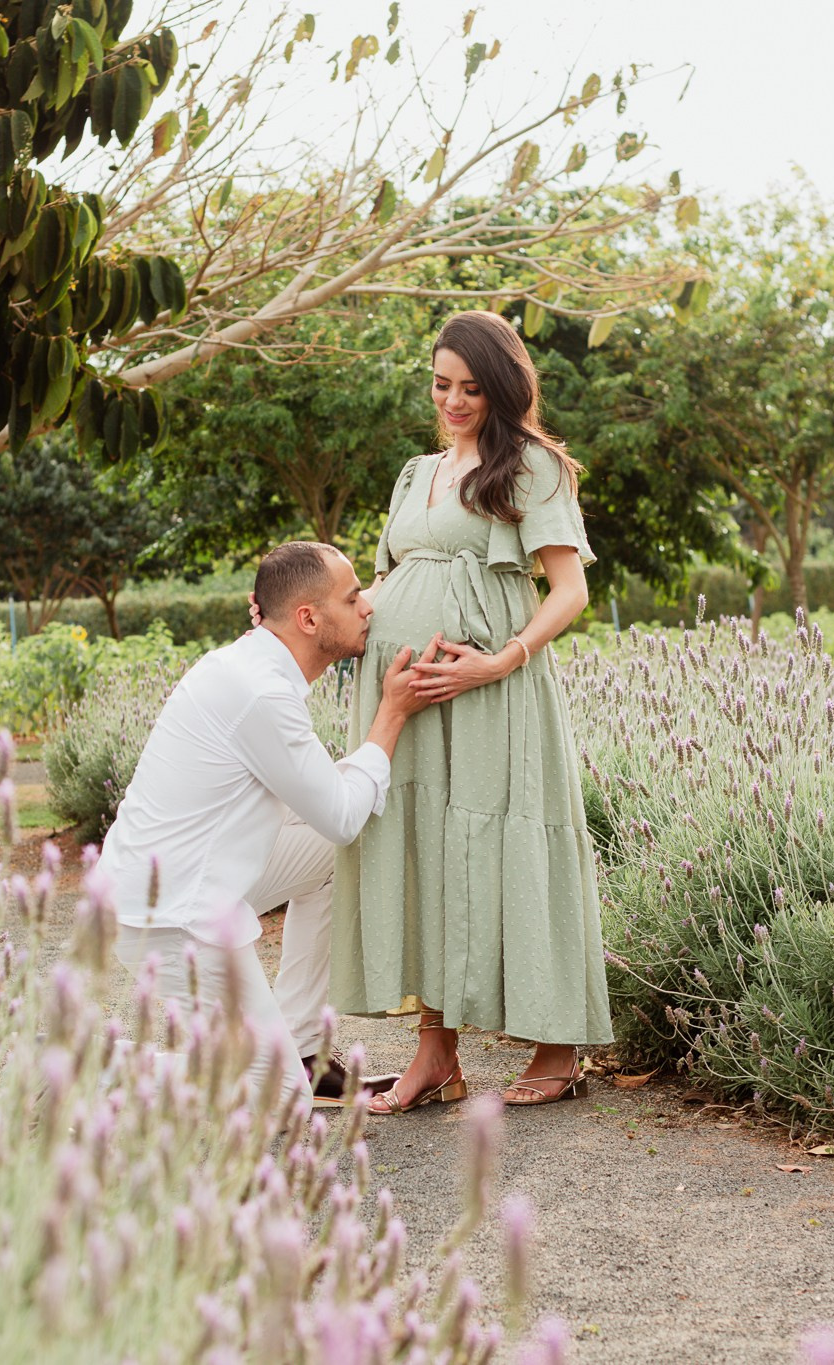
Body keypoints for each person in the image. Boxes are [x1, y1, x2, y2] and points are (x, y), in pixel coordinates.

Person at [328, 310, 614, 1113]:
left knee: (507, 838)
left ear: (502, 388)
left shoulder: (532, 467)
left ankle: (559, 1046)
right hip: (406, 695)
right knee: (421, 849)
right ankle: (436, 1058)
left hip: (494, 692)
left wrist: (500, 659)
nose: (452, 401)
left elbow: (570, 590)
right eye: (441, 384)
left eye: (471, 388)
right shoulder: (414, 472)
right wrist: (334, 629)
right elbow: (389, 579)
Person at [101, 541, 438, 1119]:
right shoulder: (261, 692)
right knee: (275, 1101)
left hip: (193, 878)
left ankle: (302, 1051)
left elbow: (327, 815)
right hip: (170, 912)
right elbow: (339, 810)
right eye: (354, 598)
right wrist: (392, 715)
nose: (368, 609)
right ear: (308, 619)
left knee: (335, 854)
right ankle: (92, 1063)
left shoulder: (252, 664)